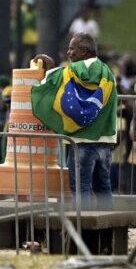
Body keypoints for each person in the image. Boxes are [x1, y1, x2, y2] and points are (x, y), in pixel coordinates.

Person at [32, 34, 117, 209]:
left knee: (81, 188)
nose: (69, 52)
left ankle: (83, 229)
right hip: (105, 141)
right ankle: (107, 232)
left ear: (84, 51)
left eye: (72, 48)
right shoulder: (109, 74)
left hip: (81, 142)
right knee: (103, 188)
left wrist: (48, 65)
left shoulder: (72, 71)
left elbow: (51, 79)